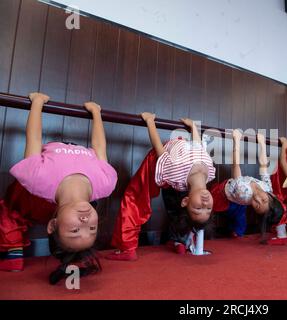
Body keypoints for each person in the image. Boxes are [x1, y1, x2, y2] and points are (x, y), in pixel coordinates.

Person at [0, 93, 117, 285]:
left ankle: (12, 252)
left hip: (43, 176)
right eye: (92, 228)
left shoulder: (38, 180)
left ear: (53, 225)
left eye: (75, 229)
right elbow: (99, 147)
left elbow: (34, 138)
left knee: (12, 205)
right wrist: (96, 113)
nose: (85, 221)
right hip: (81, 147)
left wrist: (37, 103)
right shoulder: (106, 184)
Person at [107, 113, 216, 260]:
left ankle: (127, 248)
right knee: (169, 200)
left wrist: (150, 121)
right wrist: (193, 127)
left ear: (186, 201)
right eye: (208, 208)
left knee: (135, 196)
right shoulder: (210, 172)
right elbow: (198, 146)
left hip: (158, 160)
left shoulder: (175, 170)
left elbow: (158, 148)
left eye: (198, 208)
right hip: (179, 153)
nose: (204, 203)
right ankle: (180, 241)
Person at [210, 130, 283, 239]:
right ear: (271, 195)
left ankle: (233, 232)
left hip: (224, 196)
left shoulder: (243, 191)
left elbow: (235, 165)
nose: (257, 199)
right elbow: (263, 166)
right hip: (233, 196)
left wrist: (236, 140)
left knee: (236, 218)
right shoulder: (267, 188)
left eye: (257, 206)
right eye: (263, 200)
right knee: (237, 214)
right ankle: (233, 229)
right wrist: (262, 143)